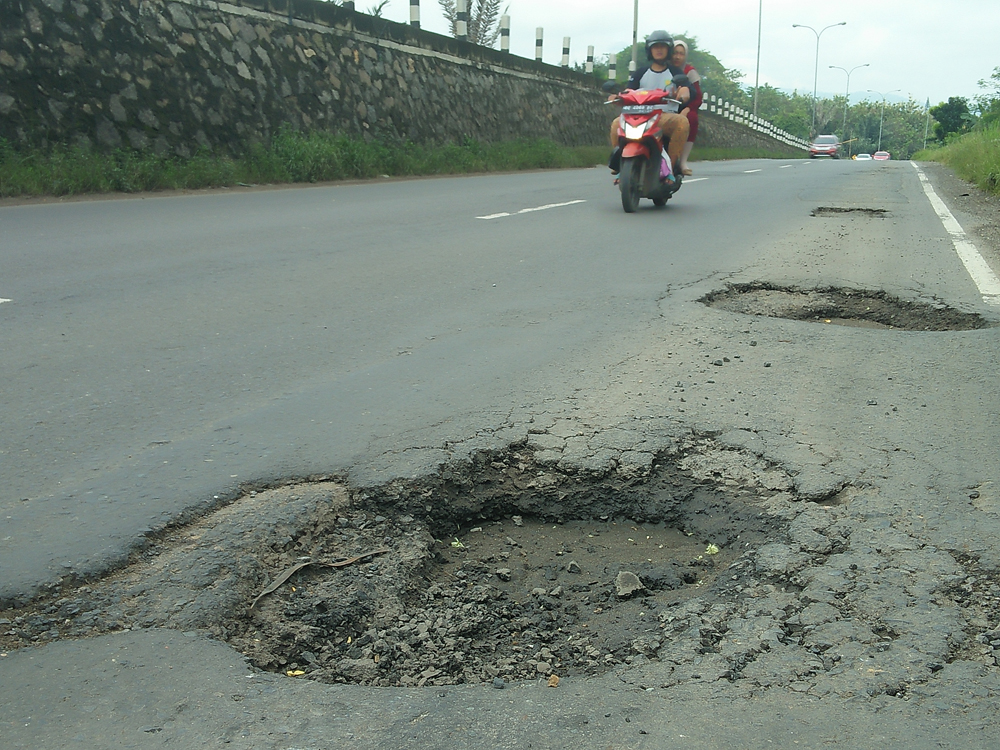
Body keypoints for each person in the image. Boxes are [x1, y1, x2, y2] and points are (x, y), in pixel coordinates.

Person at [607, 30, 690, 176]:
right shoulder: (640, 72)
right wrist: (616, 98)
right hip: (638, 116)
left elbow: (685, 89)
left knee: (682, 123)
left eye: (662, 46)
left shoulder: (676, 72)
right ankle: (619, 163)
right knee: (616, 124)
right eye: (655, 46)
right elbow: (628, 92)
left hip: (664, 117)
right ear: (649, 50)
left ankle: (669, 166)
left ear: (668, 50)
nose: (659, 50)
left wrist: (683, 93)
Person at [671, 40, 701, 175]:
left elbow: (697, 96)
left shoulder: (690, 72)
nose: (677, 57)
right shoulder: (663, 69)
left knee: (692, 119)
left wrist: (687, 109)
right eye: (675, 53)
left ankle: (683, 161)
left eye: (681, 54)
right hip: (662, 105)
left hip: (684, 107)